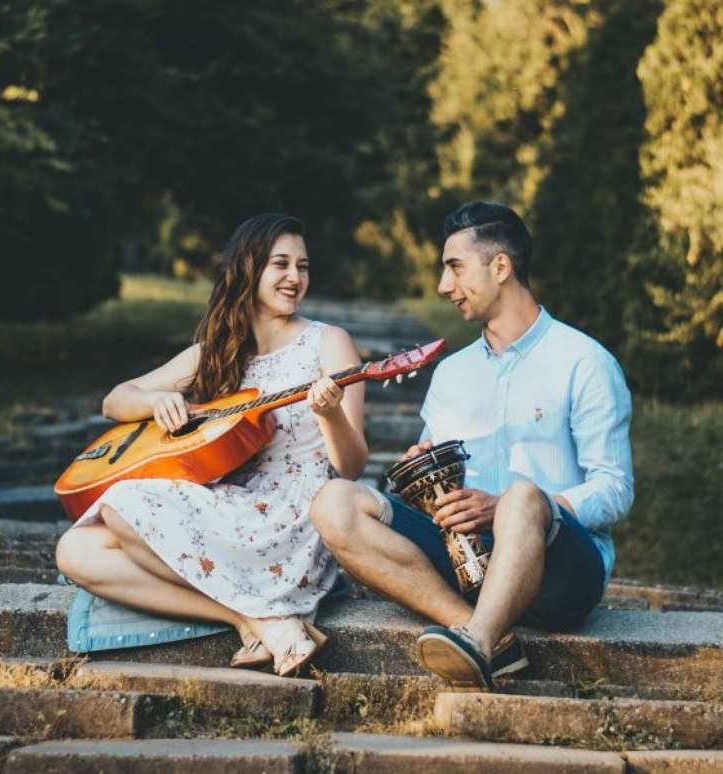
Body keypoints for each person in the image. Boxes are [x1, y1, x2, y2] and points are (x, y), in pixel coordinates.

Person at [311, 201, 633, 690]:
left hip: (560, 572)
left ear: (500, 266)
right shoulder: (452, 374)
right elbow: (432, 483)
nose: (444, 287)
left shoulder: (584, 362)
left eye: (455, 268)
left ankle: (478, 642)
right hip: (465, 563)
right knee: (335, 502)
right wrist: (416, 476)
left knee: (524, 496)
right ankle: (485, 635)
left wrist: (508, 510)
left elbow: (615, 490)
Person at [56, 213, 367, 677]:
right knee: (73, 551)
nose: (294, 277)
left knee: (119, 503)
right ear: (249, 268)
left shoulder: (328, 343)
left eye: (302, 267)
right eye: (280, 264)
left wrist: (329, 415)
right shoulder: (219, 349)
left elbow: (353, 466)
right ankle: (253, 619)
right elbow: (114, 399)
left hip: (294, 522)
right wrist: (159, 400)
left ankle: (264, 615)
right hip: (231, 506)